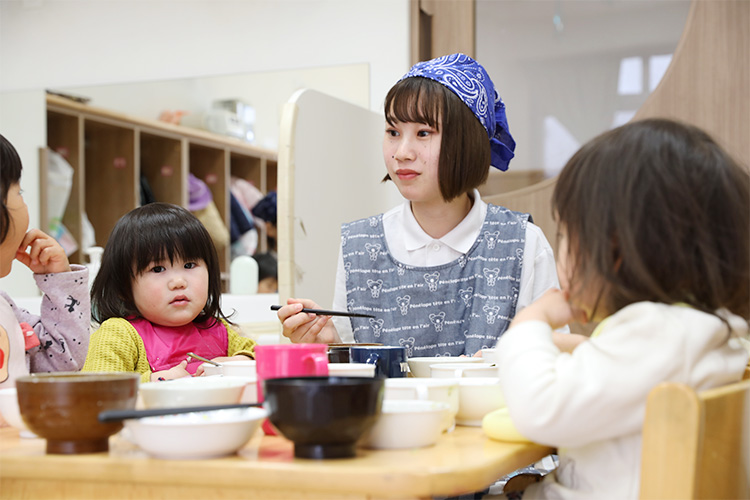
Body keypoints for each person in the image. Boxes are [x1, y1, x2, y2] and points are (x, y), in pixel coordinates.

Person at [495, 118, 750, 499]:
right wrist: (583, 348)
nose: (560, 247)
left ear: (614, 250)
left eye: (565, 234)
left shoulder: (660, 331)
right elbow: (628, 376)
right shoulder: (706, 332)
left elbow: (539, 409)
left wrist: (530, 321)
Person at [277, 53, 565, 356]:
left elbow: (553, 360)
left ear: (466, 141)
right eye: (392, 132)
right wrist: (330, 342)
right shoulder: (361, 246)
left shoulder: (523, 243)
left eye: (423, 133)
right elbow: (356, 368)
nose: (401, 152)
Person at [82, 203, 255, 383]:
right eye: (157, 269)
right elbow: (97, 389)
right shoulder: (118, 334)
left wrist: (238, 362)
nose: (178, 282)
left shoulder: (218, 330)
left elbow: (258, 356)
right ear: (123, 287)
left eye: (189, 265)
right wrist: (155, 380)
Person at [0, 133, 90, 390]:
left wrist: (60, 281)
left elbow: (63, 360)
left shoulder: (5, 309)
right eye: (19, 192)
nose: (24, 203)